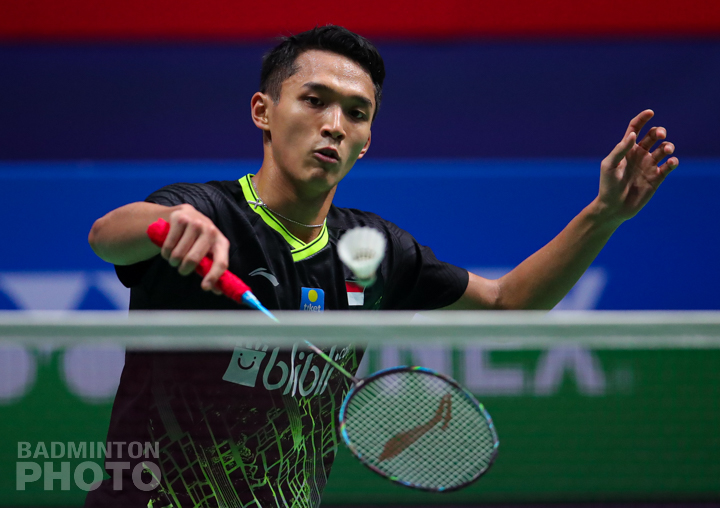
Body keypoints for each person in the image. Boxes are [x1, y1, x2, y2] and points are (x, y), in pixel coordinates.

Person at [86, 25, 677, 507]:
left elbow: (509, 303)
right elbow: (108, 236)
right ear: (263, 111)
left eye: (356, 112)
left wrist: (603, 216)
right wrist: (168, 226)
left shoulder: (373, 249)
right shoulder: (209, 210)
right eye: (314, 100)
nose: (334, 125)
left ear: (366, 141)